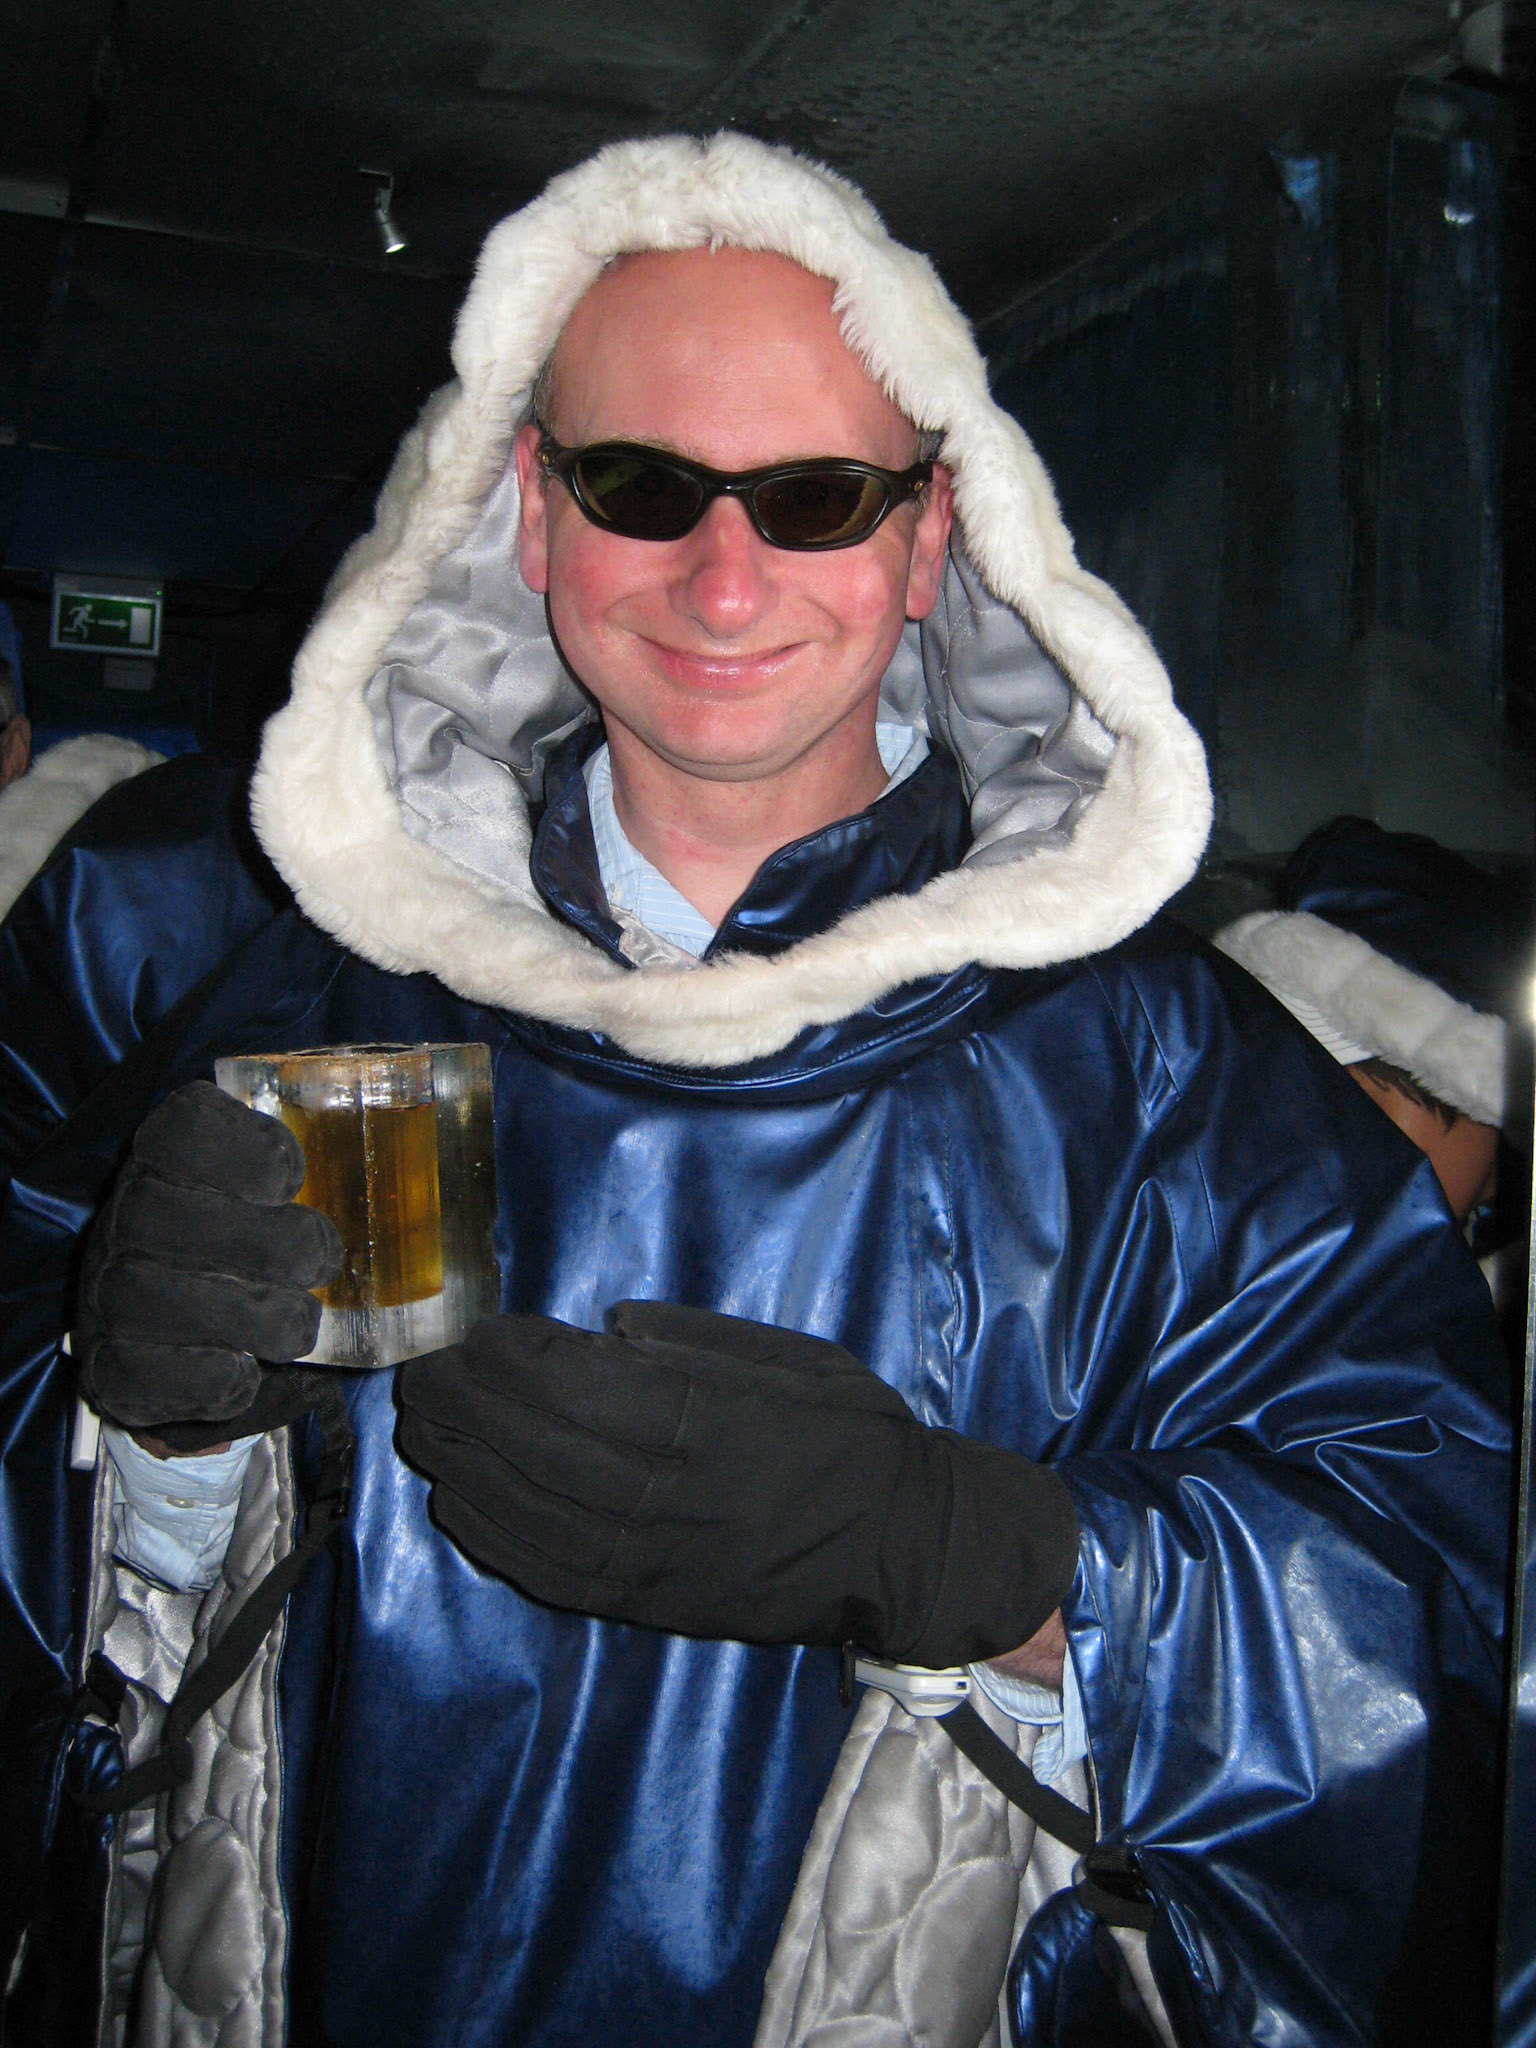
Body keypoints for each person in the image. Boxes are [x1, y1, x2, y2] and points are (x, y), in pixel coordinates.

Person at [0, 135, 1508, 2048]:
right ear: (530, 511)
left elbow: (1432, 1640)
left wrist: (1003, 1569)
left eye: (815, 498)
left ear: (932, 533)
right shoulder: (210, 939)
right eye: (642, 487)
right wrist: (121, 1414)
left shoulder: (1173, 1093)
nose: (727, 581)